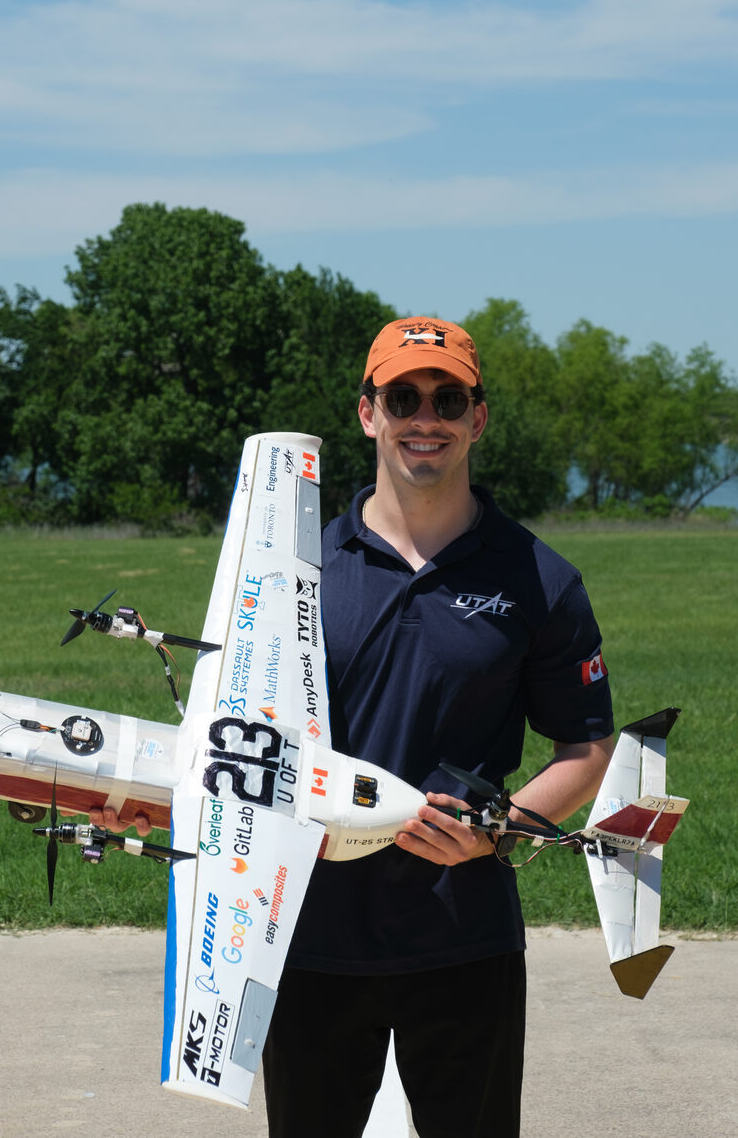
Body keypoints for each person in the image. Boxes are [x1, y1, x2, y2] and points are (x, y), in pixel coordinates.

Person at [259, 316, 617, 1138]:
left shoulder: (540, 579)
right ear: (368, 413)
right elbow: (241, 731)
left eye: (448, 399)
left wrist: (500, 829)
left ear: (477, 418)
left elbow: (586, 746)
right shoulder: (297, 571)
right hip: (310, 932)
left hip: (465, 934)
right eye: (403, 398)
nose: (427, 418)